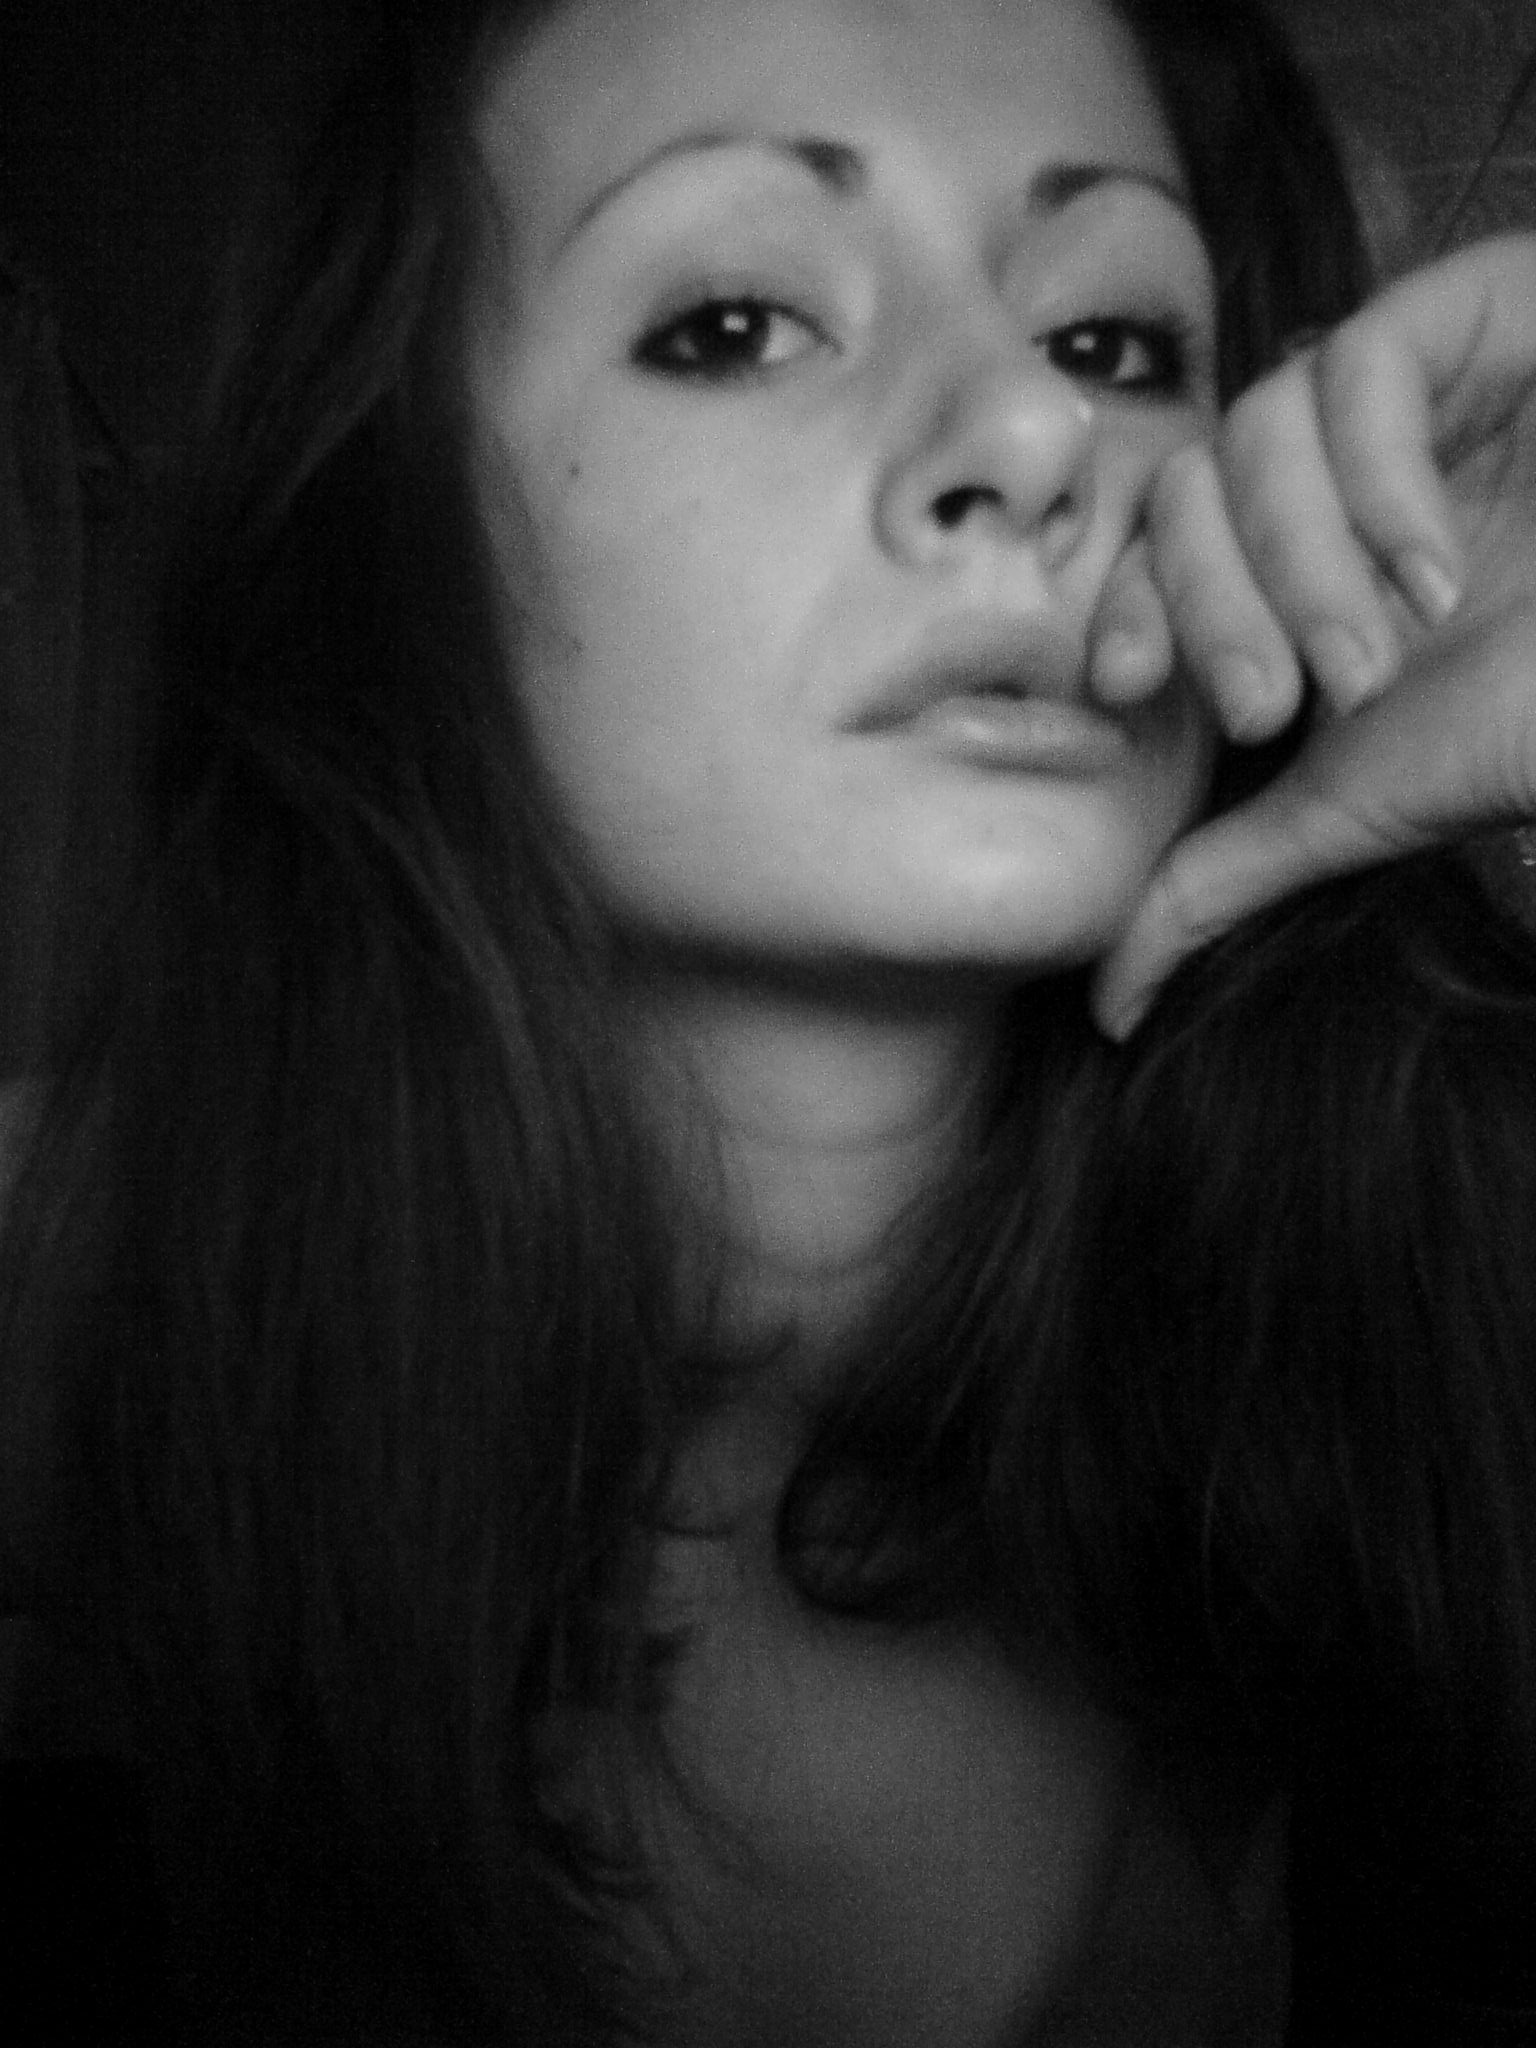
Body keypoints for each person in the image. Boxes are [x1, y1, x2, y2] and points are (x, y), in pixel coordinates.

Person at [1, 0, 1533, 2039]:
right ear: (395, 538)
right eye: (734, 323)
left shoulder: (1469, 1322)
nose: (1033, 432)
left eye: (1113, 343)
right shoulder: (80, 1341)